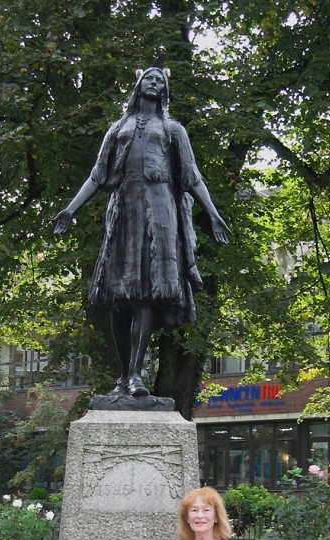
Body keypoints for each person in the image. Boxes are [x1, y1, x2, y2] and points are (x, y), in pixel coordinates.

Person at [54, 66, 228, 398]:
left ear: (164, 90)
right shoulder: (118, 127)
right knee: (119, 299)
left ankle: (134, 374)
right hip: (124, 211)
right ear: (138, 84)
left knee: (146, 294)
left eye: (159, 79)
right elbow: (97, 175)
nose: (153, 82)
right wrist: (71, 208)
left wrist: (213, 213)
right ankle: (124, 376)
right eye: (148, 78)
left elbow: (192, 176)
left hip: (159, 210)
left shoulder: (173, 129)